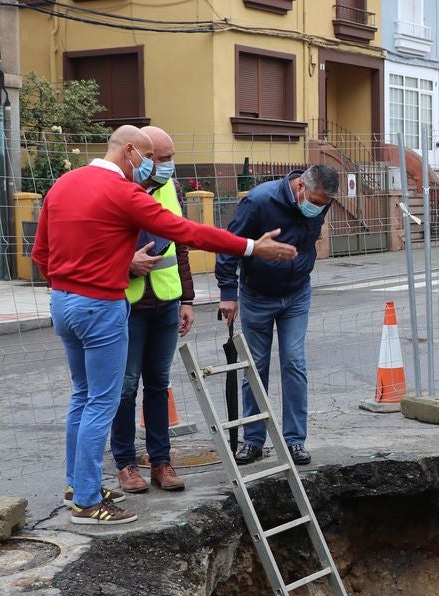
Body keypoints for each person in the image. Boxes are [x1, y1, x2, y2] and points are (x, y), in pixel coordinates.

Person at [32, 125, 297, 525]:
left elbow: (41, 253)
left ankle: (77, 483)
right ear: (131, 152)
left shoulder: (64, 184)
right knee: (102, 401)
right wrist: (250, 246)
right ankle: (86, 501)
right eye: (151, 158)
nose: (155, 166)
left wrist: (70, 284)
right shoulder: (123, 192)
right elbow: (185, 231)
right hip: (101, 306)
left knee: (83, 396)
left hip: (63, 302)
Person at [217, 165, 339, 467]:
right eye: (317, 201)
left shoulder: (319, 202)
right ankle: (253, 440)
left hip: (297, 293)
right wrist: (228, 293)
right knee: (255, 367)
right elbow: (229, 244)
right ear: (300, 186)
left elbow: (309, 236)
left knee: (294, 361)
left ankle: (295, 441)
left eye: (325, 204)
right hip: (257, 294)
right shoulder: (259, 201)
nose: (320, 209)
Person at [109, 126, 192, 495]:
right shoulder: (114, 192)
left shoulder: (172, 189)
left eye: (171, 159)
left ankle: (161, 461)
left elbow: (183, 242)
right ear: (138, 156)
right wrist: (126, 263)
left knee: (159, 385)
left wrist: (187, 298)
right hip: (128, 305)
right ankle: (126, 463)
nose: (167, 166)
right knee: (125, 388)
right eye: (161, 159)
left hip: (166, 303)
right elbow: (94, 247)